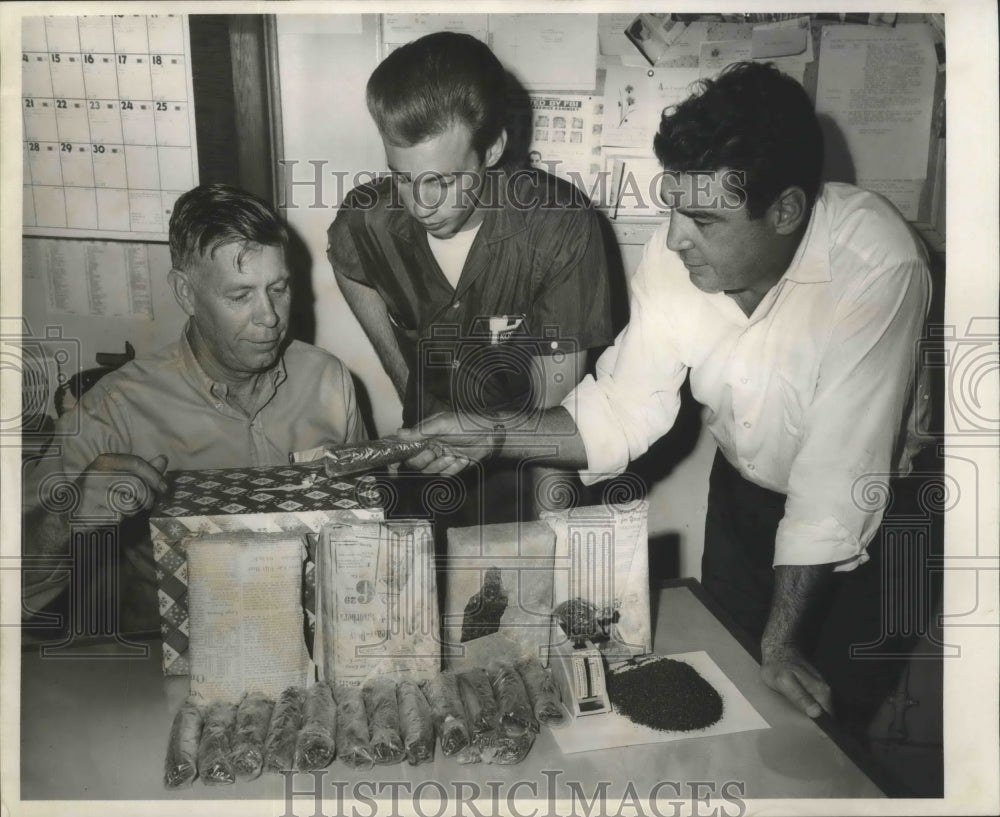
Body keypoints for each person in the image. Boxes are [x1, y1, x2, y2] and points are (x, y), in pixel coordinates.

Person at [404, 62, 932, 730]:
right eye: (675, 205)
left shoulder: (878, 262)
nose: (676, 236)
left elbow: (838, 476)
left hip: (872, 519)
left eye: (706, 219)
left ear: (788, 210)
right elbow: (622, 408)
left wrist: (782, 641)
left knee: (823, 727)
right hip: (743, 496)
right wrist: (495, 432)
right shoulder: (677, 252)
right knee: (734, 694)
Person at [22, 183, 365, 632]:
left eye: (278, 289)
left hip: (315, 647)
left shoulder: (329, 380)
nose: (270, 317)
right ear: (185, 293)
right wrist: (67, 518)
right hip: (181, 662)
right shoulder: (116, 408)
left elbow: (363, 541)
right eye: (240, 296)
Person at [326, 31, 613, 525]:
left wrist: (550, 547)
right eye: (402, 177)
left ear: (493, 149)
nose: (420, 205)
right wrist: (407, 383)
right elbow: (347, 259)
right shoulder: (366, 220)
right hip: (426, 459)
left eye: (443, 180)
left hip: (529, 466)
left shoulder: (562, 227)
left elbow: (553, 415)